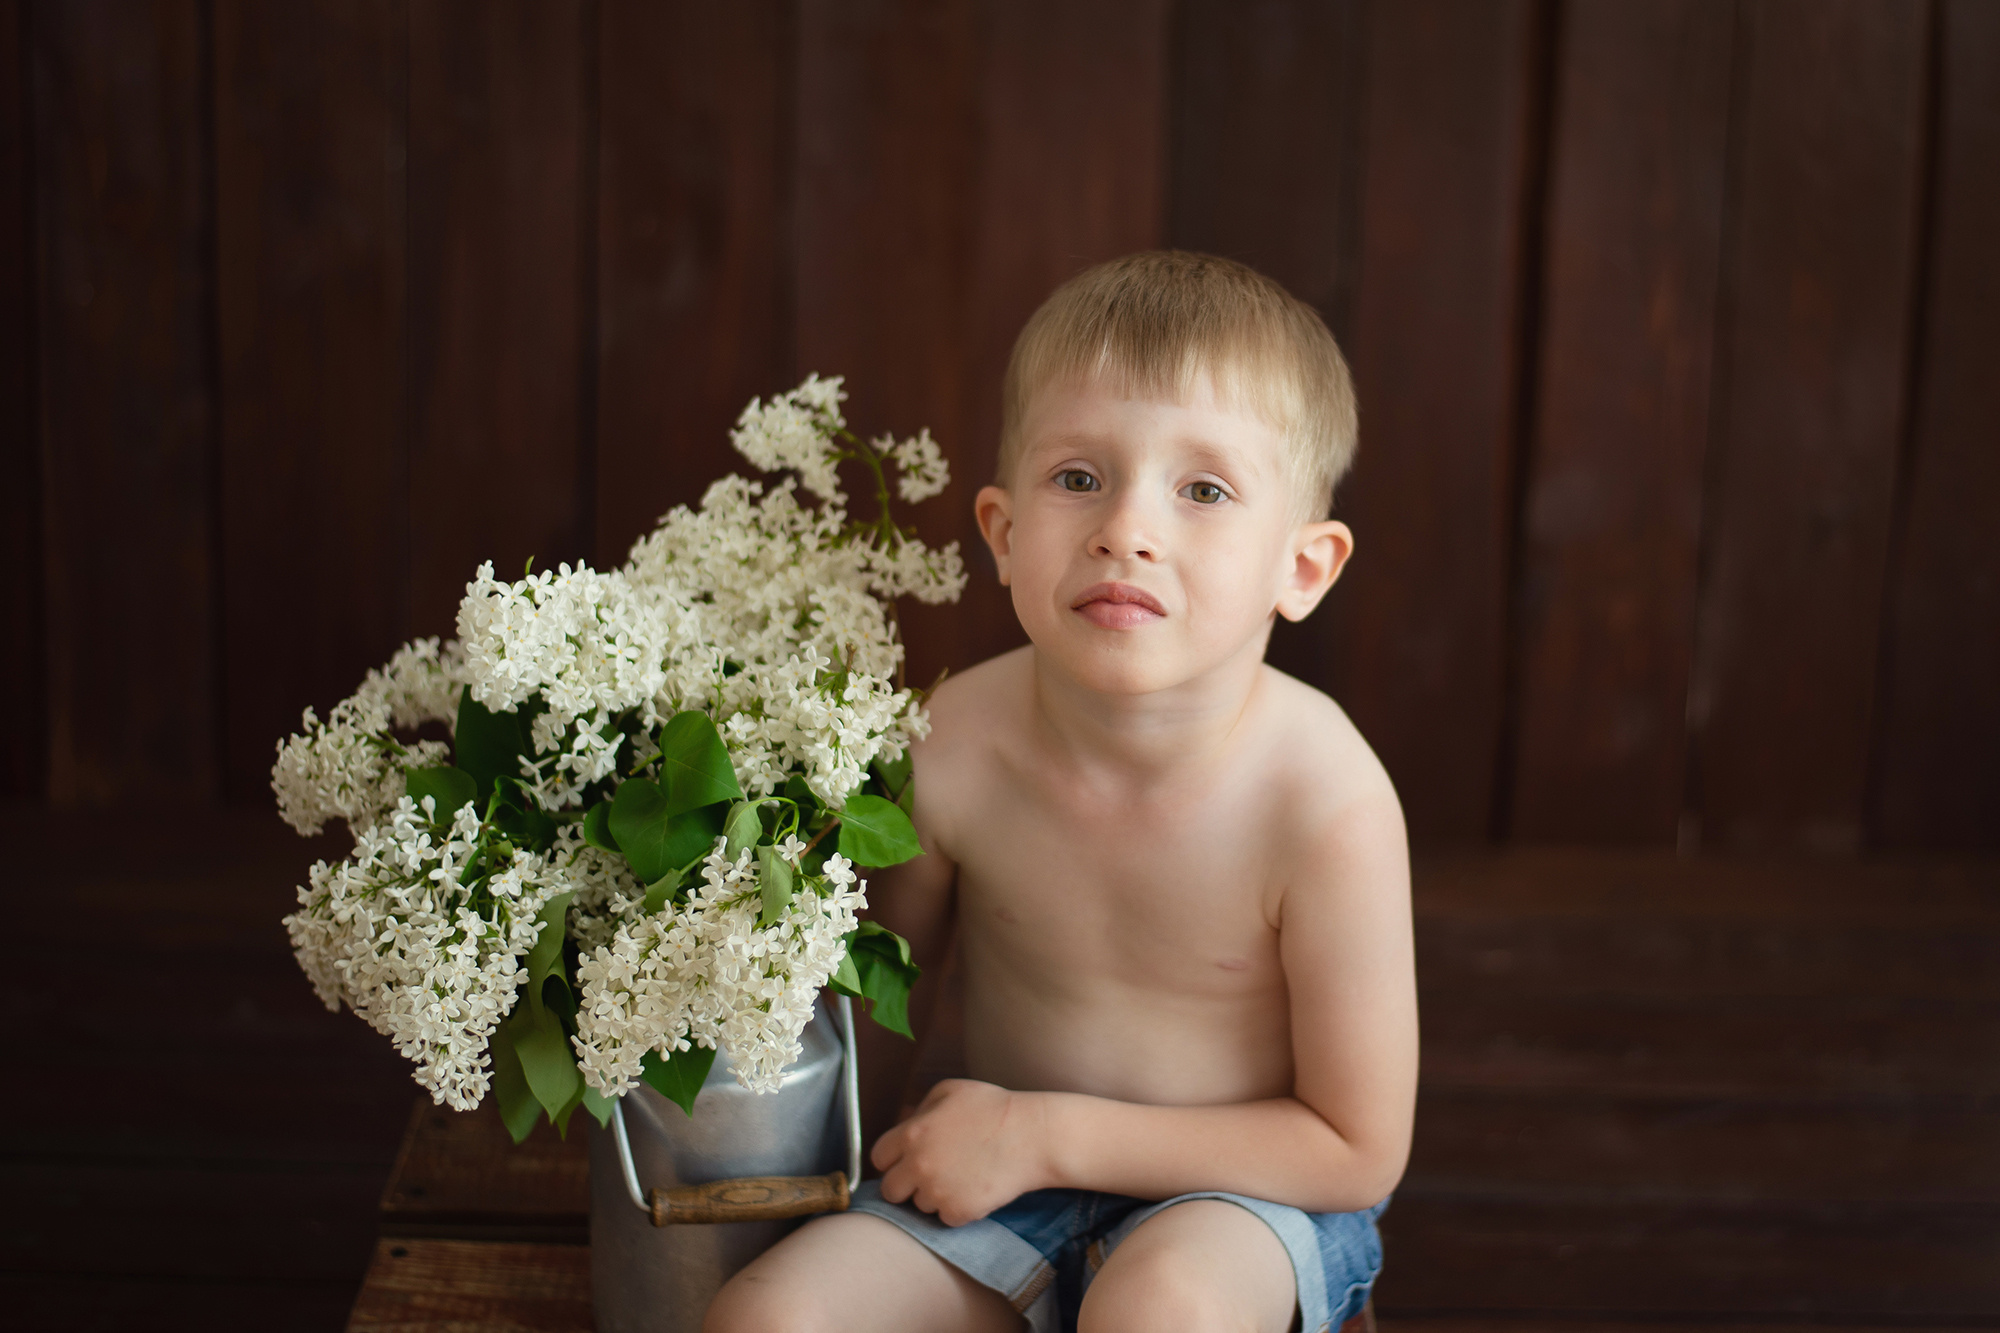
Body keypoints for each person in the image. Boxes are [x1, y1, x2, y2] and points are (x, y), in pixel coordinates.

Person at [706, 251, 1417, 1333]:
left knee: (1157, 1310)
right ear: (1000, 532)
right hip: (1008, 1189)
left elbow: (1356, 1144)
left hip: (1247, 1200)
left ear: (1302, 568)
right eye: (1078, 476)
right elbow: (869, 1019)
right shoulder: (949, 745)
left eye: (1203, 489)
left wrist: (1042, 1133)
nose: (1124, 527)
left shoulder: (1323, 801)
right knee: (766, 1320)